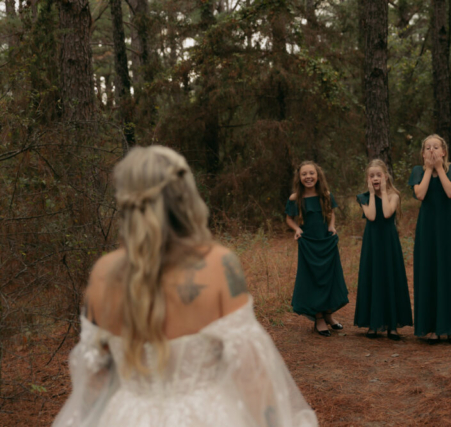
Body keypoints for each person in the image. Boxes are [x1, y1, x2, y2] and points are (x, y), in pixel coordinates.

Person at [53, 146, 318, 427]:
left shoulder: (103, 274)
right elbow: (252, 374)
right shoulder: (220, 265)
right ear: (186, 196)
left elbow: (94, 377)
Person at [408, 135, 451, 345]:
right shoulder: (417, 171)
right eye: (427, 148)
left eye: (436, 147)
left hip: (446, 227)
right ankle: (433, 327)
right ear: (423, 153)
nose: (432, 151)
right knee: (430, 270)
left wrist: (439, 168)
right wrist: (428, 170)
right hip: (427, 228)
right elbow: (421, 194)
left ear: (444, 151)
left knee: (449, 270)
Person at [285, 161, 349, 337]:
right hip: (309, 244)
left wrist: (332, 226)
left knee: (329, 277)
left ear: (318, 175)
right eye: (304, 174)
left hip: (326, 242)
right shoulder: (295, 198)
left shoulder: (326, 195)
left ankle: (328, 314)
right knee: (313, 278)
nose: (308, 177)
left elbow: (331, 213)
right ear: (299, 177)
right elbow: (289, 219)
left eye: (311, 173)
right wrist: (297, 229)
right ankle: (318, 317)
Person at [353, 159, 413, 340]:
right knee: (373, 277)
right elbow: (371, 216)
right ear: (367, 179)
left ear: (385, 177)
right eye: (371, 176)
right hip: (372, 243)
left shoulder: (393, 195)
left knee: (390, 276)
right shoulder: (363, 197)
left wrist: (384, 191)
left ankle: (392, 325)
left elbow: (387, 213)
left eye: (378, 175)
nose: (375, 178)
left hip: (389, 242)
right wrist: (372, 194)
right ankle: (373, 324)